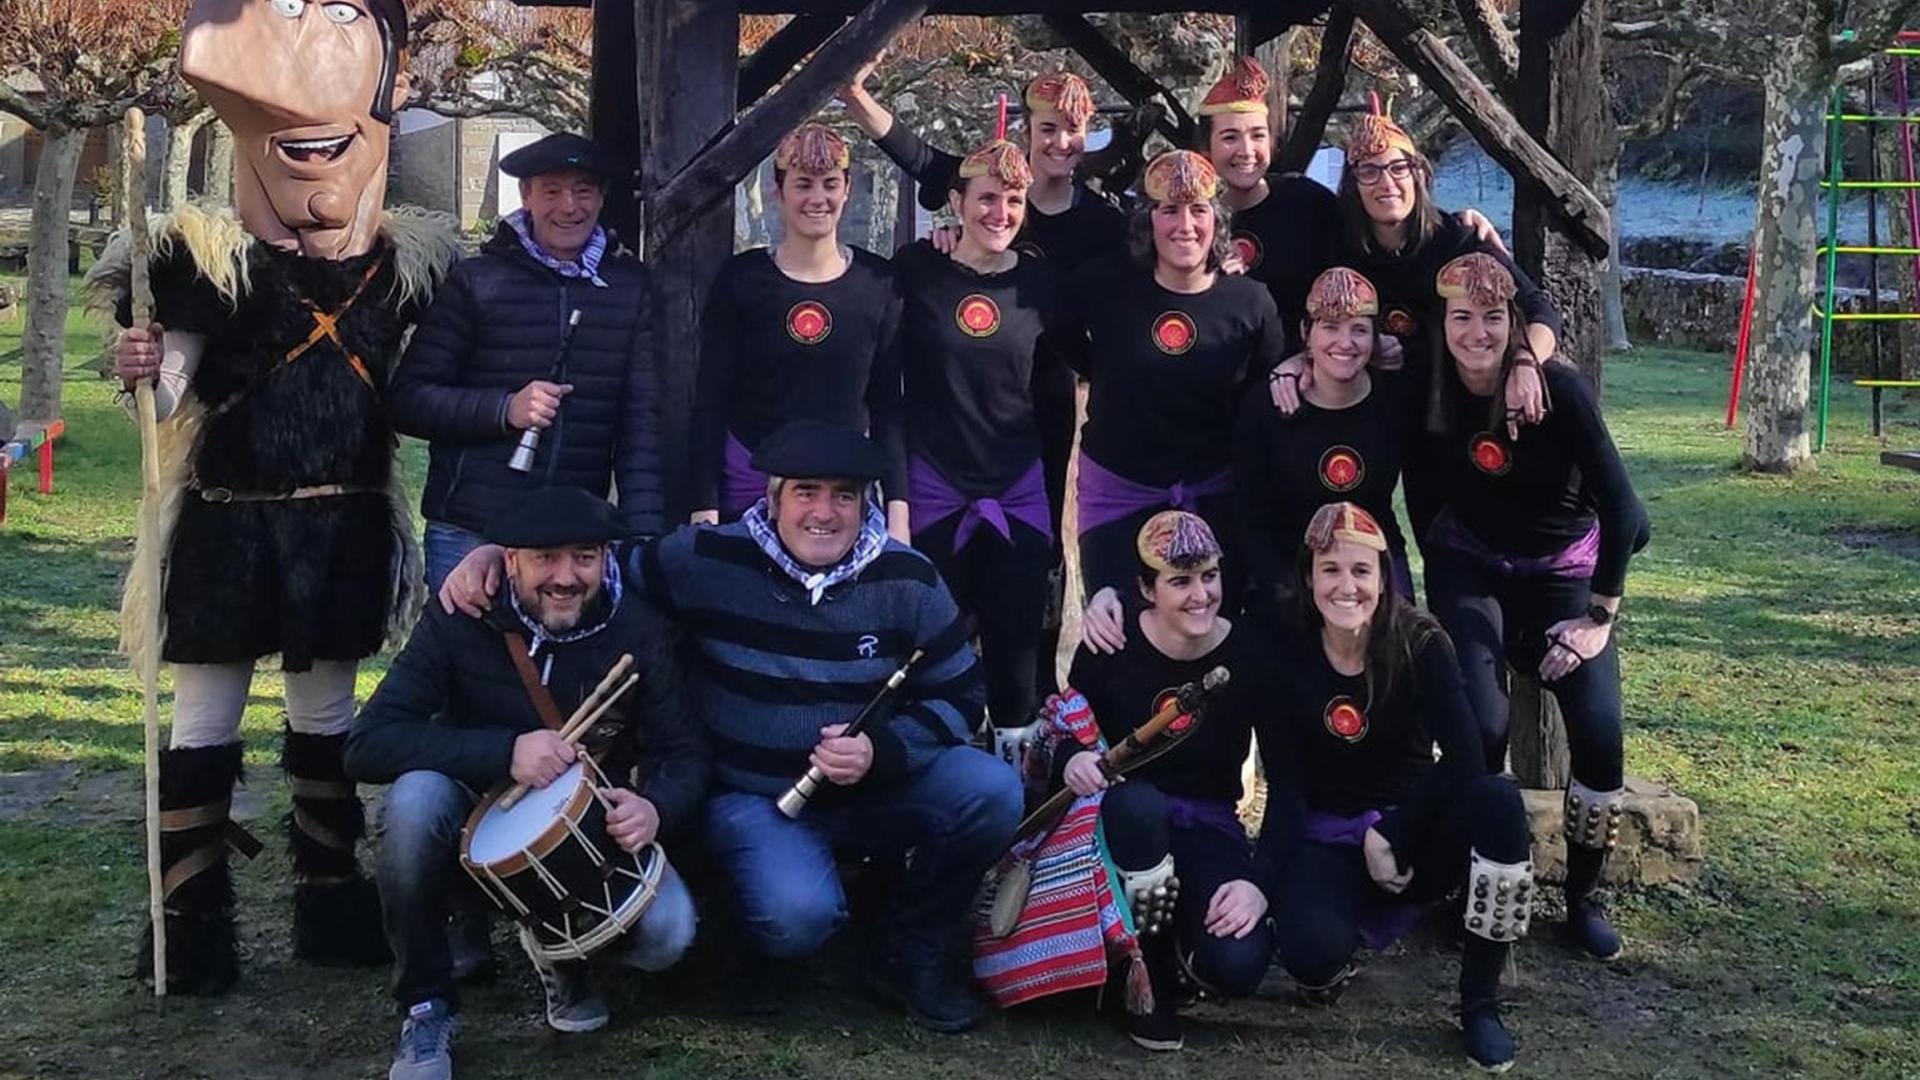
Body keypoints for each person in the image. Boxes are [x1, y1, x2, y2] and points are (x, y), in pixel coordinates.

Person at [90, 0, 461, 994]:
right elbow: (167, 391)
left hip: (341, 521)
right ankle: (188, 921)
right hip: (226, 526)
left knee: (326, 719)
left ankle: (332, 903)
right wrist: (139, 361)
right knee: (203, 720)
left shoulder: (407, 270)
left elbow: (435, 375)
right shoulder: (206, 262)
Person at [440, 421, 1021, 1033]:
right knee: (797, 916)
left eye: (843, 495)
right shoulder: (705, 557)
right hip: (753, 797)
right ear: (771, 497)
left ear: (865, 502)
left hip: (874, 789)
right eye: (805, 491)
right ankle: (747, 931)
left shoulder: (911, 578)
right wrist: (493, 555)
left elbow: (962, 693)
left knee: (990, 790)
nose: (823, 512)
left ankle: (911, 948)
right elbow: (595, 573)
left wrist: (885, 750)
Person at [346, 486, 705, 1080]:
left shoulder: (641, 630)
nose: (566, 576)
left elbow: (685, 753)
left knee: (669, 936)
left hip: (588, 833)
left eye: (584, 557)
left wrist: (655, 808)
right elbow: (367, 744)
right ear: (508, 558)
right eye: (545, 558)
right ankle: (425, 1003)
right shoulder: (461, 616)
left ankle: (561, 950)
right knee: (412, 806)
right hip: (472, 810)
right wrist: (504, 752)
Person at [842, 65, 1125, 700]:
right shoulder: (950, 231)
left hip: (1043, 416)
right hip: (953, 419)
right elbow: (917, 154)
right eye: (1048, 129)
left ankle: (1033, 711)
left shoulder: (1101, 224)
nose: (1060, 142)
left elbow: (1135, 289)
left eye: (1073, 130)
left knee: (1032, 584)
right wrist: (855, 96)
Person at [1413, 253, 1649, 962]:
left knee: (1600, 730)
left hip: (1563, 574)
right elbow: (1420, 493)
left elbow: (1625, 507)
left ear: (1516, 324)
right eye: (1461, 317)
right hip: (1472, 566)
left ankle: (1582, 895)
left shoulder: (1560, 392)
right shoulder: (1430, 390)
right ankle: (1471, 880)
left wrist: (1597, 619)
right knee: (1479, 726)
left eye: (1492, 317)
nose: (1476, 333)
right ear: (1442, 324)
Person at [1257, 502, 1534, 1073]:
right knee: (1309, 954)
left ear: (1384, 579)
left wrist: (1394, 832)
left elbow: (1468, 756)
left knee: (1500, 801)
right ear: (1308, 577)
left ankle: (1481, 1004)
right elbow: (1285, 787)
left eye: (1361, 570)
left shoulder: (1421, 642)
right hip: (1326, 831)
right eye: (1330, 569)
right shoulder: (1284, 649)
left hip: (1411, 830)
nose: (1346, 586)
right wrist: (1259, 881)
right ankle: (1340, 932)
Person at [389, 132, 664, 589]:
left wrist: (642, 536)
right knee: (462, 658)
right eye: (552, 191)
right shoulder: (475, 281)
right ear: (526, 196)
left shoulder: (630, 289)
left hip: (571, 533)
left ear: (601, 198)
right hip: (471, 527)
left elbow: (642, 424)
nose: (568, 207)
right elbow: (408, 400)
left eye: (582, 191)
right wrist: (504, 409)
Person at [1055, 511, 1277, 1050]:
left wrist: (1258, 882)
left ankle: (1179, 944)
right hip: (1120, 830)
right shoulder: (1113, 641)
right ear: (1144, 588)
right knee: (1139, 808)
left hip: (1208, 825)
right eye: (1180, 581)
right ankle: (1141, 974)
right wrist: (1072, 760)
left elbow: (1289, 780)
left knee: (1238, 965)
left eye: (1209, 577)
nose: (1200, 595)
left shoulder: (1249, 652)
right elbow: (1072, 726)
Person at [1072, 151, 1287, 653]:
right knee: (1117, 637)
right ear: (1148, 221)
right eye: (1169, 210)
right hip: (1119, 495)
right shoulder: (1104, 287)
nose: (1184, 225)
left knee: (1213, 640)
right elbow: (1058, 332)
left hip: (1217, 496)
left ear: (1218, 219)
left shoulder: (1251, 302)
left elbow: (1268, 389)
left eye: (1198, 210)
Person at [894, 137, 1074, 729]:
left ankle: (1017, 798)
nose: (1000, 213)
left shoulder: (1042, 284)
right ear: (956, 201)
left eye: (1014, 200)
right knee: (930, 657)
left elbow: (1058, 392)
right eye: (987, 198)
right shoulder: (917, 268)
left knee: (1017, 662)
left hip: (1016, 493)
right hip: (934, 490)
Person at [1268, 111, 1552, 441]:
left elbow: (1540, 312)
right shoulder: (1335, 243)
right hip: (1366, 407)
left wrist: (1525, 362)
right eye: (1369, 172)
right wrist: (1298, 359)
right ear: (1353, 183)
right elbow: (1304, 316)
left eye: (1398, 168)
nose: (1387, 184)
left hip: (1451, 406)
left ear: (1418, 173)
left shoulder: (1457, 239)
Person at [689, 122, 906, 534]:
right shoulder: (741, 278)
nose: (817, 198)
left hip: (841, 494)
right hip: (749, 487)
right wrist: (705, 504)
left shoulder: (880, 283)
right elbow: (711, 399)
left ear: (847, 189)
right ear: (779, 191)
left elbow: (887, 407)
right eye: (804, 184)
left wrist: (898, 512)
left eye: (829, 184)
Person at [1236, 267, 1416, 617]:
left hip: (1371, 559)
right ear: (1306, 332)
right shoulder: (1267, 406)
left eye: (1359, 330)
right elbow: (1249, 516)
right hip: (1288, 566)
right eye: (1330, 327)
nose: (1345, 343)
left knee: (1408, 644)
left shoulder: (1394, 399)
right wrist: (1284, 590)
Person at [1193, 56, 1341, 349]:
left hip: (1303, 370)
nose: (1247, 151)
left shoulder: (1309, 202)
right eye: (1230, 137)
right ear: (1205, 147)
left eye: (1258, 136)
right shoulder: (1189, 220)